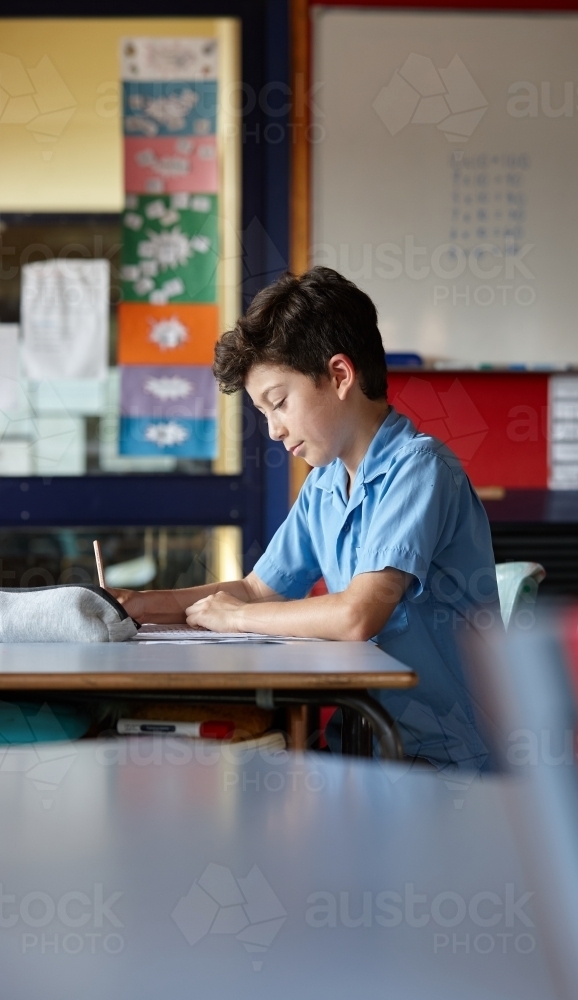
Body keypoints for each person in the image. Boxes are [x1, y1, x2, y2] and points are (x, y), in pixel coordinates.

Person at [112, 267, 500, 771]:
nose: (274, 430)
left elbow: (357, 615)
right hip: (367, 741)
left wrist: (236, 620)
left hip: (438, 757)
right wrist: (144, 605)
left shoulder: (419, 468)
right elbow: (256, 589)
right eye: (263, 413)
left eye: (279, 403)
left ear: (340, 375)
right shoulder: (325, 482)